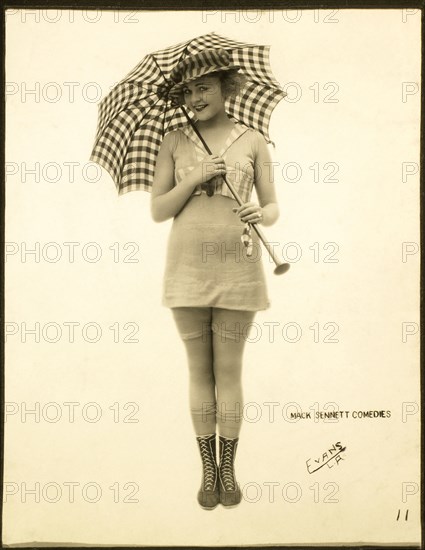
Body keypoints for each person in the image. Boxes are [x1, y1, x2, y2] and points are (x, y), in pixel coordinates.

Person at [151, 48, 280, 510]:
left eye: (204, 86)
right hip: (186, 268)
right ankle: (208, 469)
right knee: (198, 371)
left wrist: (259, 212)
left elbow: (273, 207)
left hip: (239, 267)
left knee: (229, 371)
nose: (195, 95)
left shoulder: (254, 140)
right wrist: (192, 179)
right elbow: (158, 211)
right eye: (188, 89)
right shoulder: (172, 140)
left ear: (228, 87)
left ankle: (229, 467)